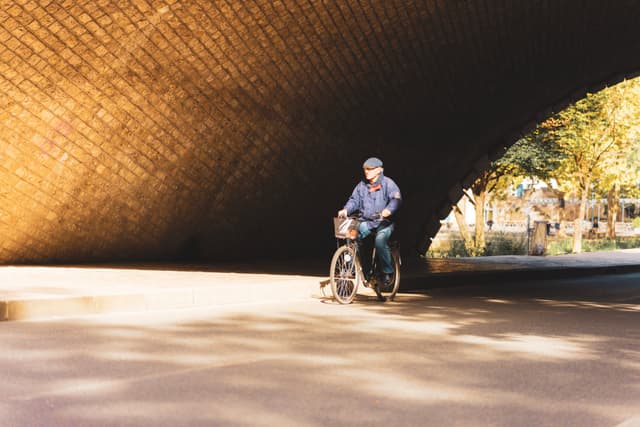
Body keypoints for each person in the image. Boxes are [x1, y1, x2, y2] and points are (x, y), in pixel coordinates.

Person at [338, 157, 402, 289]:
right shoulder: (362, 185)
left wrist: (387, 211)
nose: (366, 172)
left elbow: (396, 199)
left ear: (379, 170)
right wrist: (346, 209)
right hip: (366, 222)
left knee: (380, 241)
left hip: (384, 222)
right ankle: (364, 271)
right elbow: (354, 200)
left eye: (369, 169)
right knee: (352, 236)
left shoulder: (388, 183)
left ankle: (387, 272)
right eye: (365, 169)